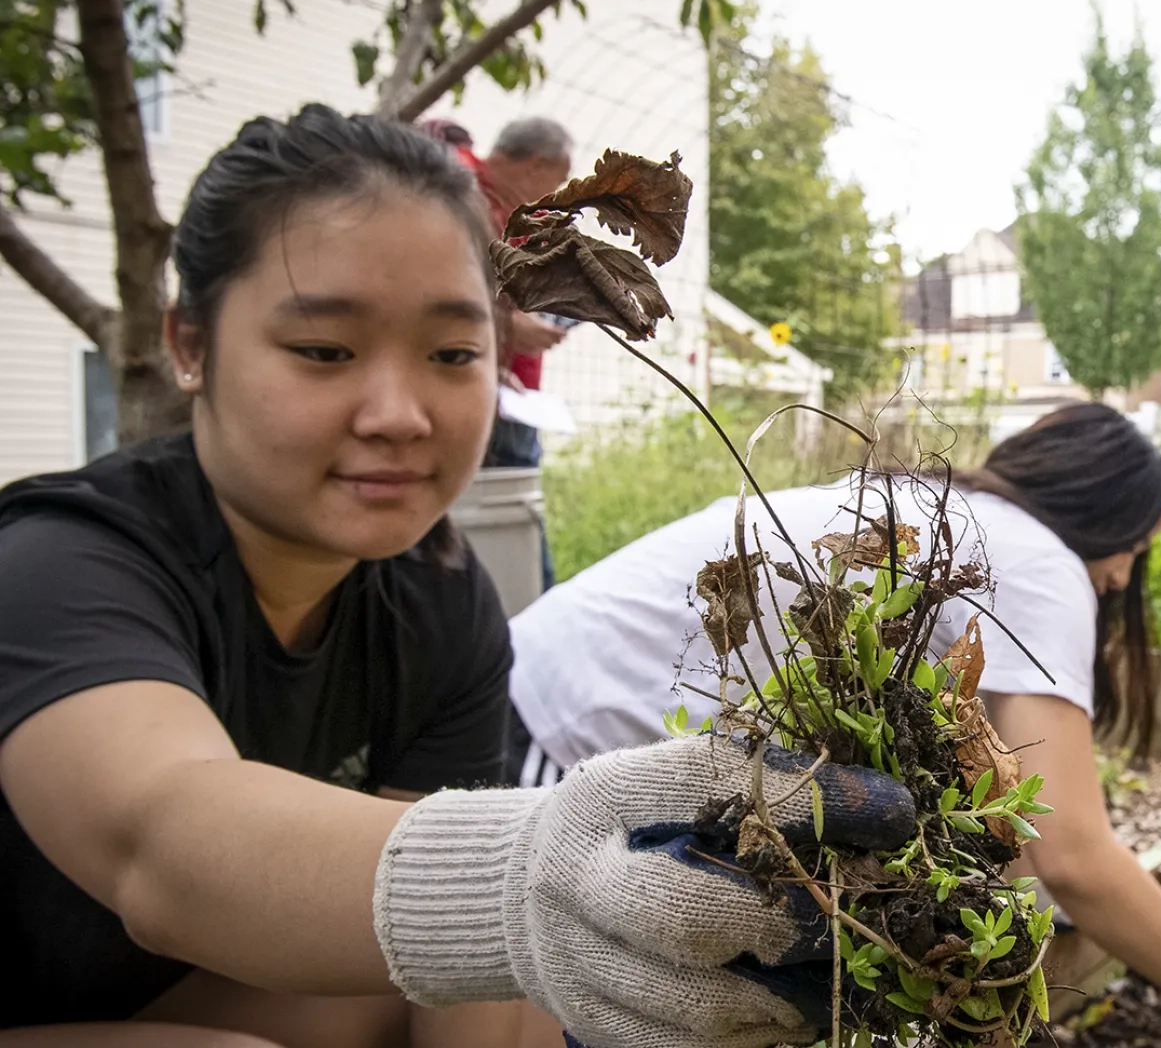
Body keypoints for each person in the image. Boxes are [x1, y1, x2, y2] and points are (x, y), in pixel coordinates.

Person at [0, 105, 913, 1048]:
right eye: (324, 351)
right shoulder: (62, 562)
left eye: (451, 354)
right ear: (190, 345)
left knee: (486, 977)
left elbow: (444, 969)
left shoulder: (439, 594)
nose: (399, 414)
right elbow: (163, 848)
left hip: (211, 998)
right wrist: (529, 873)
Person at [507, 403, 1161, 1048]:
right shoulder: (1041, 563)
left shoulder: (961, 519)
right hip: (552, 733)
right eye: (1135, 550)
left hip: (539, 681)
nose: (1121, 577)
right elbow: (1077, 855)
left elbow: (1003, 792)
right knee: (548, 991)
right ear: (1102, 519)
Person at [420, 115, 577, 591]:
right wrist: (504, 326)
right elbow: (431, 279)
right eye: (560, 179)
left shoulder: (516, 212)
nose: (557, 194)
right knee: (506, 535)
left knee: (507, 526)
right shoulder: (458, 187)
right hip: (477, 392)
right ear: (537, 165)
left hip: (506, 386)